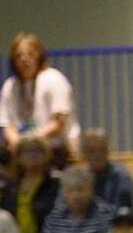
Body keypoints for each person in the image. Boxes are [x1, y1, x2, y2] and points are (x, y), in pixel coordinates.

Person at [1, 33, 79, 161]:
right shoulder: (10, 86)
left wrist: (32, 141)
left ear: (39, 57)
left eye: (30, 54)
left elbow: (59, 123)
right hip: (23, 147)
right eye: (19, 56)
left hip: (55, 146)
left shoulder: (53, 78)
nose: (24, 59)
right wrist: (18, 143)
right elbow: (7, 125)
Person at [39, 164, 116, 233]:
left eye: (80, 190)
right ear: (63, 193)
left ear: (91, 190)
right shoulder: (54, 216)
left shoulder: (104, 213)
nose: (76, 196)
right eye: (70, 190)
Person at [1, 136, 58, 233]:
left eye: (38, 150)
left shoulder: (55, 185)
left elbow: (56, 219)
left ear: (46, 155)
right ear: (18, 157)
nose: (33, 154)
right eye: (27, 151)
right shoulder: (9, 188)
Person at [81, 129, 133, 212]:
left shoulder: (122, 177)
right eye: (91, 151)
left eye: (102, 149)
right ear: (84, 154)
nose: (98, 155)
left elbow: (125, 212)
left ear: (108, 151)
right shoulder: (79, 178)